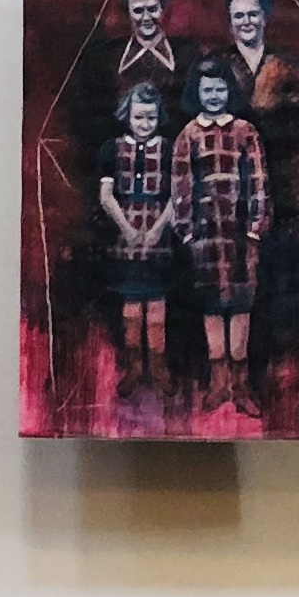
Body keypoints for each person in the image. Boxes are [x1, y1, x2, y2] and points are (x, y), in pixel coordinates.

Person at [169, 60, 269, 416]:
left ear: (231, 91)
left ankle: (241, 386)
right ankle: (218, 383)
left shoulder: (246, 131)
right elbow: (181, 185)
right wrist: (185, 228)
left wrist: (257, 223)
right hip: (205, 234)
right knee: (211, 305)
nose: (214, 96)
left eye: (220, 89)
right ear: (198, 93)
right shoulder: (188, 135)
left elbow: (258, 179)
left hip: (241, 233)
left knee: (240, 304)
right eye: (207, 90)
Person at [96, 80, 178, 399]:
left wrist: (157, 228)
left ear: (159, 117)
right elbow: (105, 196)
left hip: (160, 234)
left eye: (151, 118)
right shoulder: (111, 149)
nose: (145, 124)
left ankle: (158, 366)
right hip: (125, 236)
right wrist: (128, 230)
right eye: (139, 117)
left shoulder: (169, 149)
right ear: (127, 115)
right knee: (131, 307)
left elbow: (176, 195)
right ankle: (134, 367)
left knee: (157, 307)